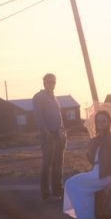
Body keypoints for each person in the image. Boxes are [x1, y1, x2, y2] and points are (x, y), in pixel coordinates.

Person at [63, 110, 111, 219]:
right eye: (98, 121)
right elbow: (93, 161)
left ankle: (85, 216)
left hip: (105, 175)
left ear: (109, 122)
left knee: (70, 183)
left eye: (104, 121)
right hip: (96, 172)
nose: (101, 123)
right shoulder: (97, 139)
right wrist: (90, 149)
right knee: (79, 187)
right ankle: (86, 216)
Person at [33, 73, 65, 201]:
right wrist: (45, 131)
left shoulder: (55, 97)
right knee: (47, 164)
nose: (51, 84)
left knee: (58, 164)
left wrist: (63, 131)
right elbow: (38, 115)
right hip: (48, 134)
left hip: (59, 134)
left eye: (53, 82)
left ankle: (57, 190)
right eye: (49, 82)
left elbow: (59, 115)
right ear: (44, 83)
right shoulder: (39, 97)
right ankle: (46, 194)